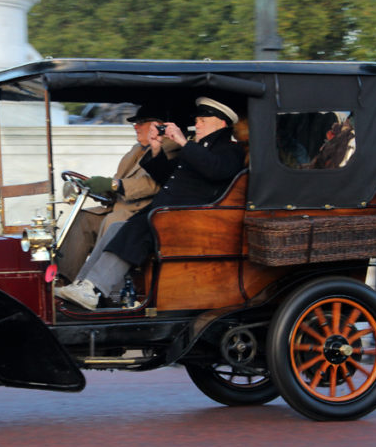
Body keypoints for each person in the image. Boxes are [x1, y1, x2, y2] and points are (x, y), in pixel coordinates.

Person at [57, 97, 246, 310]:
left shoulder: (230, 150)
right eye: (198, 119)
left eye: (203, 119)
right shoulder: (198, 148)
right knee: (119, 228)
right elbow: (168, 177)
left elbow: (216, 169)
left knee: (137, 226)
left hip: (188, 220)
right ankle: (84, 285)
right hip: (168, 214)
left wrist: (183, 142)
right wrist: (156, 150)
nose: (198, 124)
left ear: (221, 123)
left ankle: (95, 289)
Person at [56, 104, 177, 283]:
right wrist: (98, 186)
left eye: (142, 122)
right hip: (120, 208)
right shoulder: (137, 150)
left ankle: (93, 286)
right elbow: (118, 181)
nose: (136, 126)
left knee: (112, 221)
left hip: (141, 216)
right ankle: (64, 279)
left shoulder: (170, 148)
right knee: (84, 219)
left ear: (159, 126)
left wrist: (112, 184)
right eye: (135, 122)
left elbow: (152, 185)